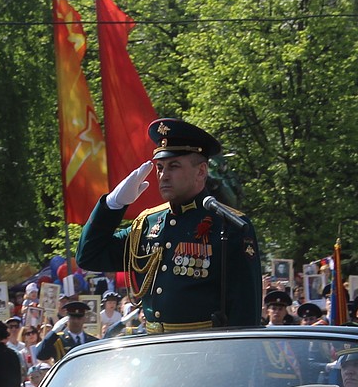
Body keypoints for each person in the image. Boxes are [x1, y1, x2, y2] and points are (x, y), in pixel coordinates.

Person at [76, 117, 262, 332]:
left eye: (174, 166)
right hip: (155, 350)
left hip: (204, 351)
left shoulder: (229, 225)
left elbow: (245, 312)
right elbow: (89, 255)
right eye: (160, 167)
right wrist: (112, 205)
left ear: (201, 171)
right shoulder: (148, 223)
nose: (163, 175)